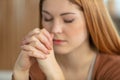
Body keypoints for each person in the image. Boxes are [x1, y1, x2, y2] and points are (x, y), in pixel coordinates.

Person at [12, 0, 120, 80]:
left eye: (68, 20)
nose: (55, 29)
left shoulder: (115, 69)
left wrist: (55, 76)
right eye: (47, 18)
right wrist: (20, 74)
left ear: (92, 20)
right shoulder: (35, 68)